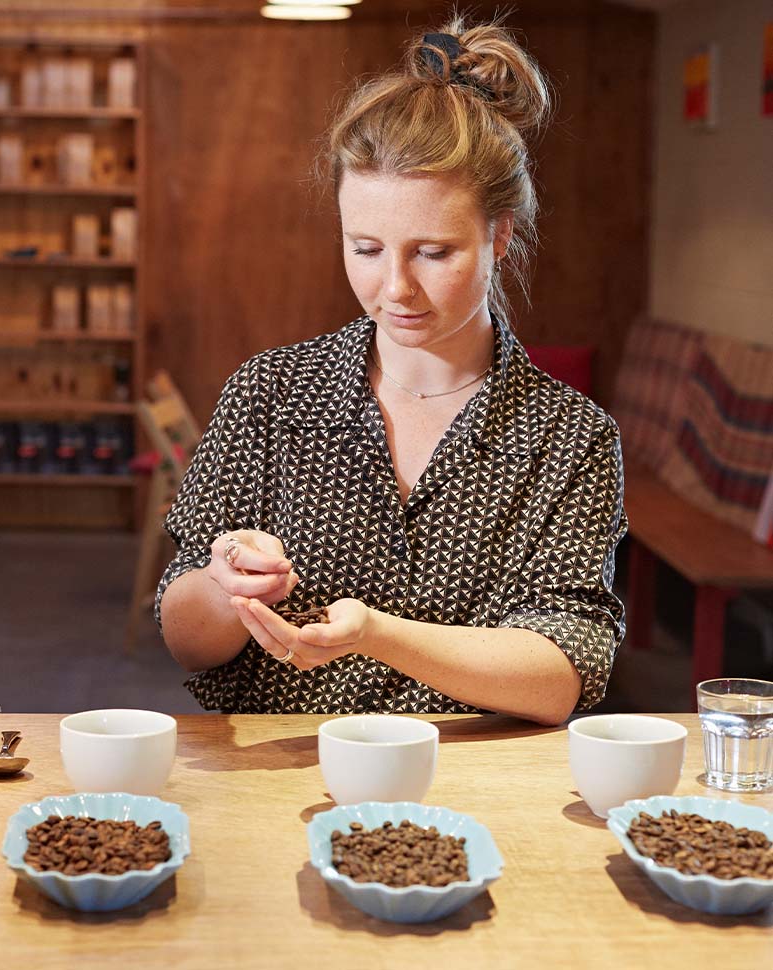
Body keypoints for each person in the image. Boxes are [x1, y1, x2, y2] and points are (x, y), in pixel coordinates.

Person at [156, 15, 626, 726]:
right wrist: (227, 589)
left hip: (473, 795)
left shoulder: (570, 437)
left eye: (433, 253)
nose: (395, 288)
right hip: (276, 784)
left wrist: (379, 635)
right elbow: (185, 642)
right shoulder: (270, 394)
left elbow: (563, 674)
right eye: (366, 248)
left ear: (499, 235)